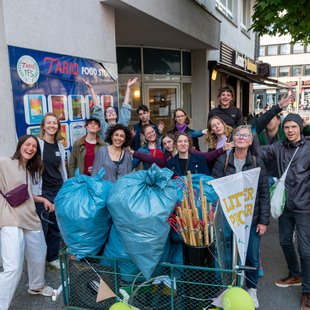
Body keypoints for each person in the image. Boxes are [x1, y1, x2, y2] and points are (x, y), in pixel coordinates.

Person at [252, 114, 310, 310]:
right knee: (285, 241)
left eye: (294, 126)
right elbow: (256, 149)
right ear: (282, 129)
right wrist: (255, 126)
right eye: (287, 127)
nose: (290, 130)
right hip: (285, 205)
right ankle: (295, 275)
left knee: (305, 250)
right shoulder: (279, 147)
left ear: (300, 127)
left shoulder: (309, 147)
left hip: (305, 207)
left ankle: (307, 292)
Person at [212, 125, 270, 308]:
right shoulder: (223, 160)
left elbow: (264, 192)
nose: (241, 138)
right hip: (227, 218)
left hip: (250, 220)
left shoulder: (257, 161)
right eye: (238, 135)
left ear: (251, 141)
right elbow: (214, 187)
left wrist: (263, 221)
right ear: (233, 139)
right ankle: (226, 288)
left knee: (252, 257)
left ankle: (251, 289)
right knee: (225, 256)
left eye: (246, 135)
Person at [0, 135, 54, 310]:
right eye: (27, 144)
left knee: (39, 253)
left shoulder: (27, 169)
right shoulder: (5, 162)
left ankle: (37, 286)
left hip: (30, 217)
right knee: (13, 268)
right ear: (20, 145)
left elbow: (25, 194)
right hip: (10, 218)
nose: (30, 148)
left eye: (34, 146)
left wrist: (42, 200)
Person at [32, 112, 67, 270]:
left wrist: (66, 188)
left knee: (55, 226)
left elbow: (62, 170)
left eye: (55, 123)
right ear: (43, 126)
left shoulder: (60, 146)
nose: (52, 125)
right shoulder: (37, 145)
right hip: (42, 191)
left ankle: (51, 257)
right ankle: (38, 260)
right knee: (43, 227)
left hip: (58, 190)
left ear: (58, 126)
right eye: (49, 123)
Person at [126, 132, 233, 168]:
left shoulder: (189, 150)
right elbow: (150, 158)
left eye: (169, 142)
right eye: (164, 143)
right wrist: (132, 152)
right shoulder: (168, 159)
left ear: (175, 141)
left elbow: (206, 156)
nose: (167, 145)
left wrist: (223, 149)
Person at [82, 77, 137, 142]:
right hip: (105, 151)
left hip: (118, 151)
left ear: (116, 115)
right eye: (108, 111)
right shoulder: (102, 125)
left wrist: (128, 88)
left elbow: (125, 107)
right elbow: (97, 108)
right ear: (105, 117)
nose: (111, 112)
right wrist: (91, 89)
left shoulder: (121, 124)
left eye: (113, 111)